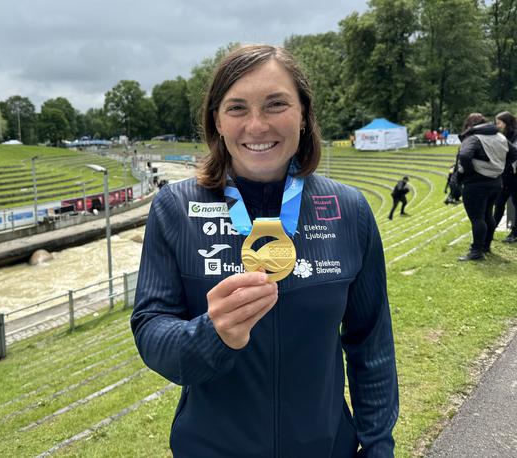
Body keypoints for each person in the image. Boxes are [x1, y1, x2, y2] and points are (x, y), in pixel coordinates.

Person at [131, 45, 398, 458]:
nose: (256, 125)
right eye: (237, 108)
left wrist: (379, 447)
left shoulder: (349, 209)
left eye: (276, 104)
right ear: (217, 121)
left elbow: (371, 342)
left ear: (305, 115)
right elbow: (150, 331)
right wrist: (211, 335)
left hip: (327, 449)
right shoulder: (175, 208)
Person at [456, 113, 517, 260]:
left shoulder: (473, 138)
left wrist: (470, 173)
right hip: (495, 182)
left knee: (477, 218)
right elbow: (514, 154)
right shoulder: (500, 137)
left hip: (476, 184)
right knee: (488, 215)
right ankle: (486, 246)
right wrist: (500, 167)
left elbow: (464, 156)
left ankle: (476, 251)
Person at [493, 111, 517, 243]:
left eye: (499, 123)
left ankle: (515, 232)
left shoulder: (515, 135)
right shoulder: (503, 135)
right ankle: (491, 228)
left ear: (507, 123)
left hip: (514, 175)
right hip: (505, 174)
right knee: (499, 202)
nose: (497, 125)